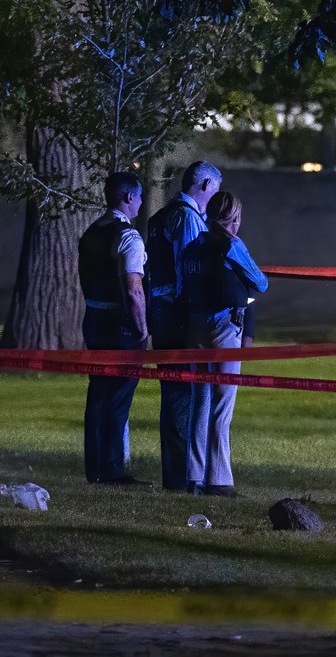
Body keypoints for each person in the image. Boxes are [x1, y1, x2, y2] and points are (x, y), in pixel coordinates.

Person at [181, 191, 268, 496]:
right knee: (222, 403)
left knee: (199, 400)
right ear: (234, 218)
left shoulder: (193, 247)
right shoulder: (232, 244)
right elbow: (260, 283)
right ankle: (219, 480)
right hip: (224, 327)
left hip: (194, 326)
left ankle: (193, 476)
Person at [146, 160, 222, 491]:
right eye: (215, 190)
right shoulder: (188, 219)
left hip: (161, 310)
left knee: (174, 391)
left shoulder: (161, 216)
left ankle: (176, 473)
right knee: (182, 392)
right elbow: (187, 269)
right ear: (205, 186)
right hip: (178, 314)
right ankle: (181, 478)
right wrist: (192, 311)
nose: (215, 197)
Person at [78, 171, 150, 486]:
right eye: (139, 196)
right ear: (128, 197)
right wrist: (141, 329)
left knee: (98, 394)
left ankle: (95, 467)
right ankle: (112, 469)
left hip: (92, 318)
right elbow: (133, 289)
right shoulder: (128, 237)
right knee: (118, 397)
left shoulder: (92, 232)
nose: (142, 202)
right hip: (118, 325)